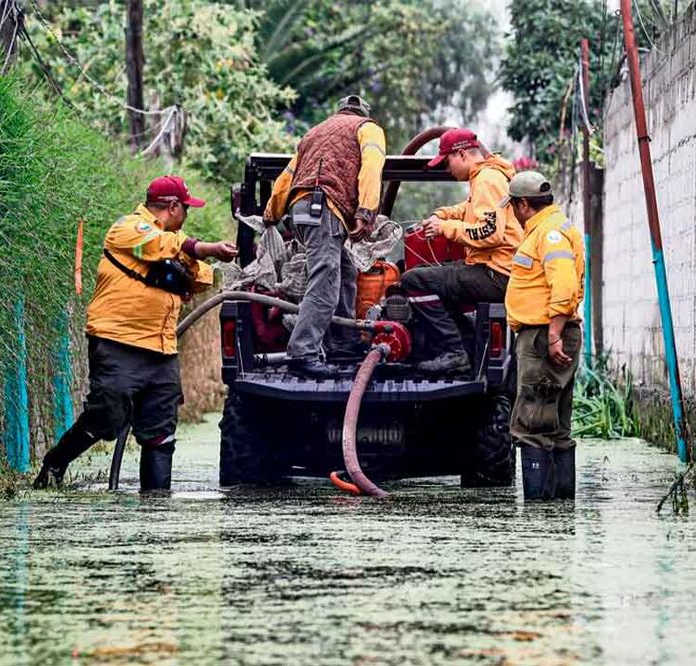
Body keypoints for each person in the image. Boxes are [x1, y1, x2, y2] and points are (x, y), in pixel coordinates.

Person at [34, 176, 238, 492]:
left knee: (160, 433)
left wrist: (197, 258)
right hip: (118, 342)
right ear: (173, 206)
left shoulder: (174, 240)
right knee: (107, 414)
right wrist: (202, 247)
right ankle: (54, 466)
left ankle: (156, 508)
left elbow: (200, 279)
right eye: (186, 209)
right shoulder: (127, 229)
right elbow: (157, 245)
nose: (186, 216)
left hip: (162, 350)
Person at [262, 95, 386, 379]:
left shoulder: (314, 132)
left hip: (300, 210)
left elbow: (287, 175)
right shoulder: (367, 128)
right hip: (325, 208)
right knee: (326, 279)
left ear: (339, 112)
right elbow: (371, 169)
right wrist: (366, 212)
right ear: (361, 113)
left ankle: (343, 341)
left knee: (344, 270)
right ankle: (302, 352)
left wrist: (272, 212)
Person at [401, 128, 524, 374]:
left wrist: (445, 228)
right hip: (497, 269)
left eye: (447, 162)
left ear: (462, 154)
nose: (448, 169)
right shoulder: (486, 177)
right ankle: (466, 348)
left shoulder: (487, 180)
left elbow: (490, 233)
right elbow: (470, 209)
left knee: (412, 280)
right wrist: (442, 214)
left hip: (497, 273)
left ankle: (455, 352)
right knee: (432, 277)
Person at [503, 171, 585, 500]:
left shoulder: (548, 234)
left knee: (533, 424)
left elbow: (563, 284)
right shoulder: (555, 227)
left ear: (524, 204)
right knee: (557, 428)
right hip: (549, 333)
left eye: (513, 207)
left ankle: (539, 513)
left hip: (543, 336)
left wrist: (552, 335)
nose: (512, 213)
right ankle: (560, 509)